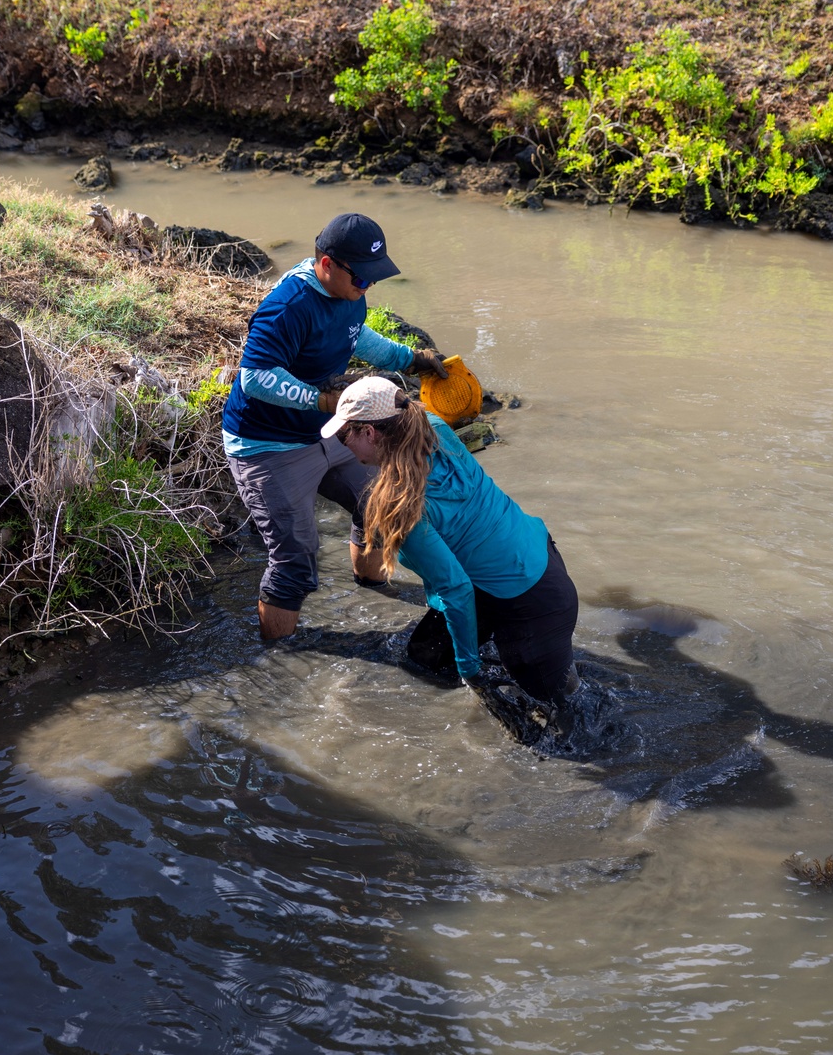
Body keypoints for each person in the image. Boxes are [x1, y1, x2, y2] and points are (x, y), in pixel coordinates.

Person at [222, 214, 449, 642]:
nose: (369, 286)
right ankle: (277, 656)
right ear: (327, 264)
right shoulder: (287, 308)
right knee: (294, 559)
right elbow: (254, 377)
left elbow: (354, 334)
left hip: (328, 430)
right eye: (362, 277)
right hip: (267, 444)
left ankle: (374, 593)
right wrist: (323, 400)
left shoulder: (349, 291)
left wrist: (409, 358)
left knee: (381, 502)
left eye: (374, 277)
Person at [322, 377, 580, 724]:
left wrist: (470, 671)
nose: (343, 445)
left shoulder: (400, 504)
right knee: (426, 656)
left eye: (344, 436)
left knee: (561, 725)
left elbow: (455, 588)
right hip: (536, 556)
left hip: (531, 604)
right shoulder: (433, 426)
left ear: (370, 433)